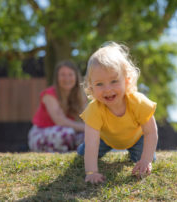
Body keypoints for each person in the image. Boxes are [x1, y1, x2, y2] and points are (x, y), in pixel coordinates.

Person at [77, 42, 158, 184]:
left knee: (146, 159)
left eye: (114, 81)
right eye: (99, 84)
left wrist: (146, 160)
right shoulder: (94, 109)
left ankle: (144, 158)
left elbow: (151, 132)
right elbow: (91, 143)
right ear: (91, 87)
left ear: (126, 81)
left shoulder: (138, 102)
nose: (108, 89)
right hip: (104, 139)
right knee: (84, 154)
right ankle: (82, 153)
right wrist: (91, 172)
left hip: (135, 138)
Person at [28, 60, 87, 152]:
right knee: (67, 133)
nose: (67, 78)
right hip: (41, 133)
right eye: (63, 75)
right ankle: (64, 156)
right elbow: (60, 121)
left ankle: (77, 154)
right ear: (57, 78)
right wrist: (85, 128)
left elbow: (88, 118)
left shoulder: (80, 96)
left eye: (70, 74)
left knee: (88, 136)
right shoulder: (49, 94)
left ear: (76, 77)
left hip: (69, 131)